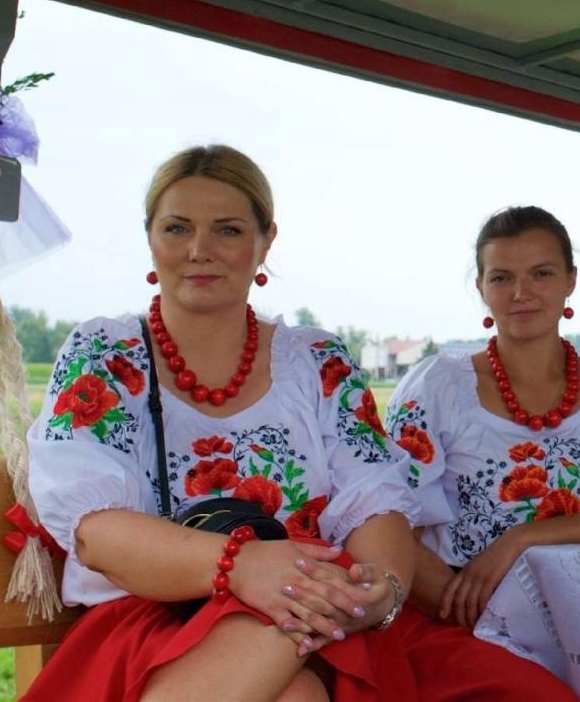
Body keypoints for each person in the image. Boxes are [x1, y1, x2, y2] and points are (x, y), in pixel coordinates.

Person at [22, 146, 421, 702]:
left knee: (296, 648)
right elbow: (95, 531)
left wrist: (385, 587)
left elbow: (375, 498)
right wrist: (239, 566)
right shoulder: (106, 354)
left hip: (322, 614)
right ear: (151, 238)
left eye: (228, 230)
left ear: (266, 240)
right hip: (158, 614)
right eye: (177, 227)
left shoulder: (319, 362)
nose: (199, 250)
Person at [386, 207, 580, 651]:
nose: (521, 293)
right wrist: (483, 623)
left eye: (541, 273)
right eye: (502, 277)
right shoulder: (435, 388)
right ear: (481, 288)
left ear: (571, 280)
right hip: (463, 629)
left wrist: (520, 539)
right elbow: (393, 528)